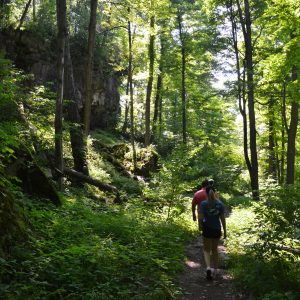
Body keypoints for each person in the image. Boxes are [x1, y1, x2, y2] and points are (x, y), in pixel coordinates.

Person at [199, 187, 226, 280]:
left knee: (206, 249)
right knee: (215, 249)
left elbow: (201, 217)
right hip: (217, 230)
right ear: (215, 193)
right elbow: (222, 219)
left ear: (206, 193)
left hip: (207, 229)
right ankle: (216, 269)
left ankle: (208, 267)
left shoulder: (203, 204)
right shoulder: (220, 204)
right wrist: (225, 231)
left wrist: (201, 225)